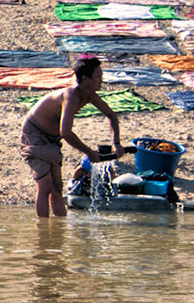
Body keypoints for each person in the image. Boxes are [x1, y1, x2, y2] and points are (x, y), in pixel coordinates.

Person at [20, 56, 125, 218]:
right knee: (45, 186)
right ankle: (42, 234)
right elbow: (66, 132)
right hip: (34, 134)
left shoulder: (90, 95)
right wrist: (89, 152)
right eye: (98, 78)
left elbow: (111, 115)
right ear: (85, 79)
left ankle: (58, 228)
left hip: (52, 140)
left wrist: (116, 143)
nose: (101, 82)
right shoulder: (71, 95)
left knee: (57, 187)